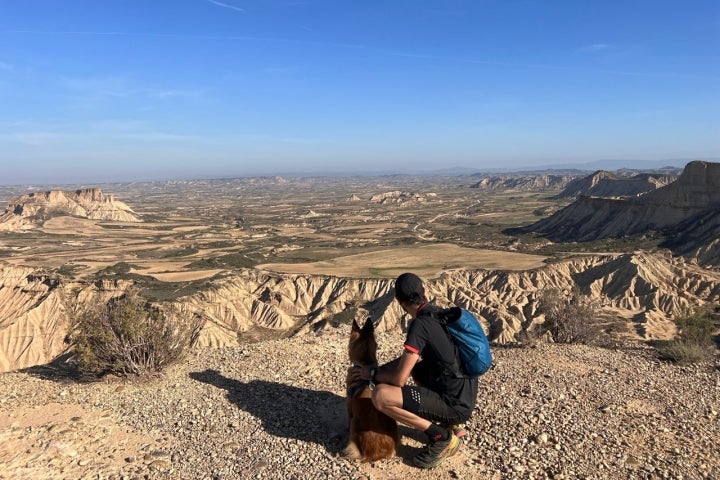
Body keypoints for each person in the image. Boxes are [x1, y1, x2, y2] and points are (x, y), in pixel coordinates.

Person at [350, 272, 478, 469]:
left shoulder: (419, 326)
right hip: (465, 394)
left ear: (400, 302)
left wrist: (373, 375)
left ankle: (442, 437)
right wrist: (379, 370)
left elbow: (400, 379)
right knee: (416, 368)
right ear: (424, 291)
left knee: (381, 396)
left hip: (455, 405)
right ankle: (451, 423)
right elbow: (408, 361)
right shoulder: (438, 314)